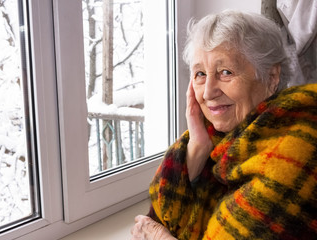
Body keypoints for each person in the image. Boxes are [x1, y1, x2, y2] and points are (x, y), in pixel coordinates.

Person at [130, 10, 317, 240]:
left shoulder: (295, 149)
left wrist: (161, 237)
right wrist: (197, 148)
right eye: (200, 74)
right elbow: (158, 216)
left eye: (225, 72)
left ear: (271, 78)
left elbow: (154, 229)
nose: (208, 92)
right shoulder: (222, 139)